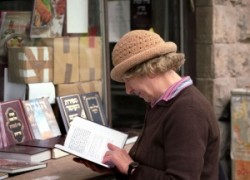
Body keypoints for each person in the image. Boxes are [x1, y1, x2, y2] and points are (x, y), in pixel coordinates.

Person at [74, 30, 220, 180]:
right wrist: (115, 165)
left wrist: (130, 168)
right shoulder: (162, 103)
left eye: (128, 79)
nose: (128, 90)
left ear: (151, 69)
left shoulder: (188, 111)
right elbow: (150, 164)